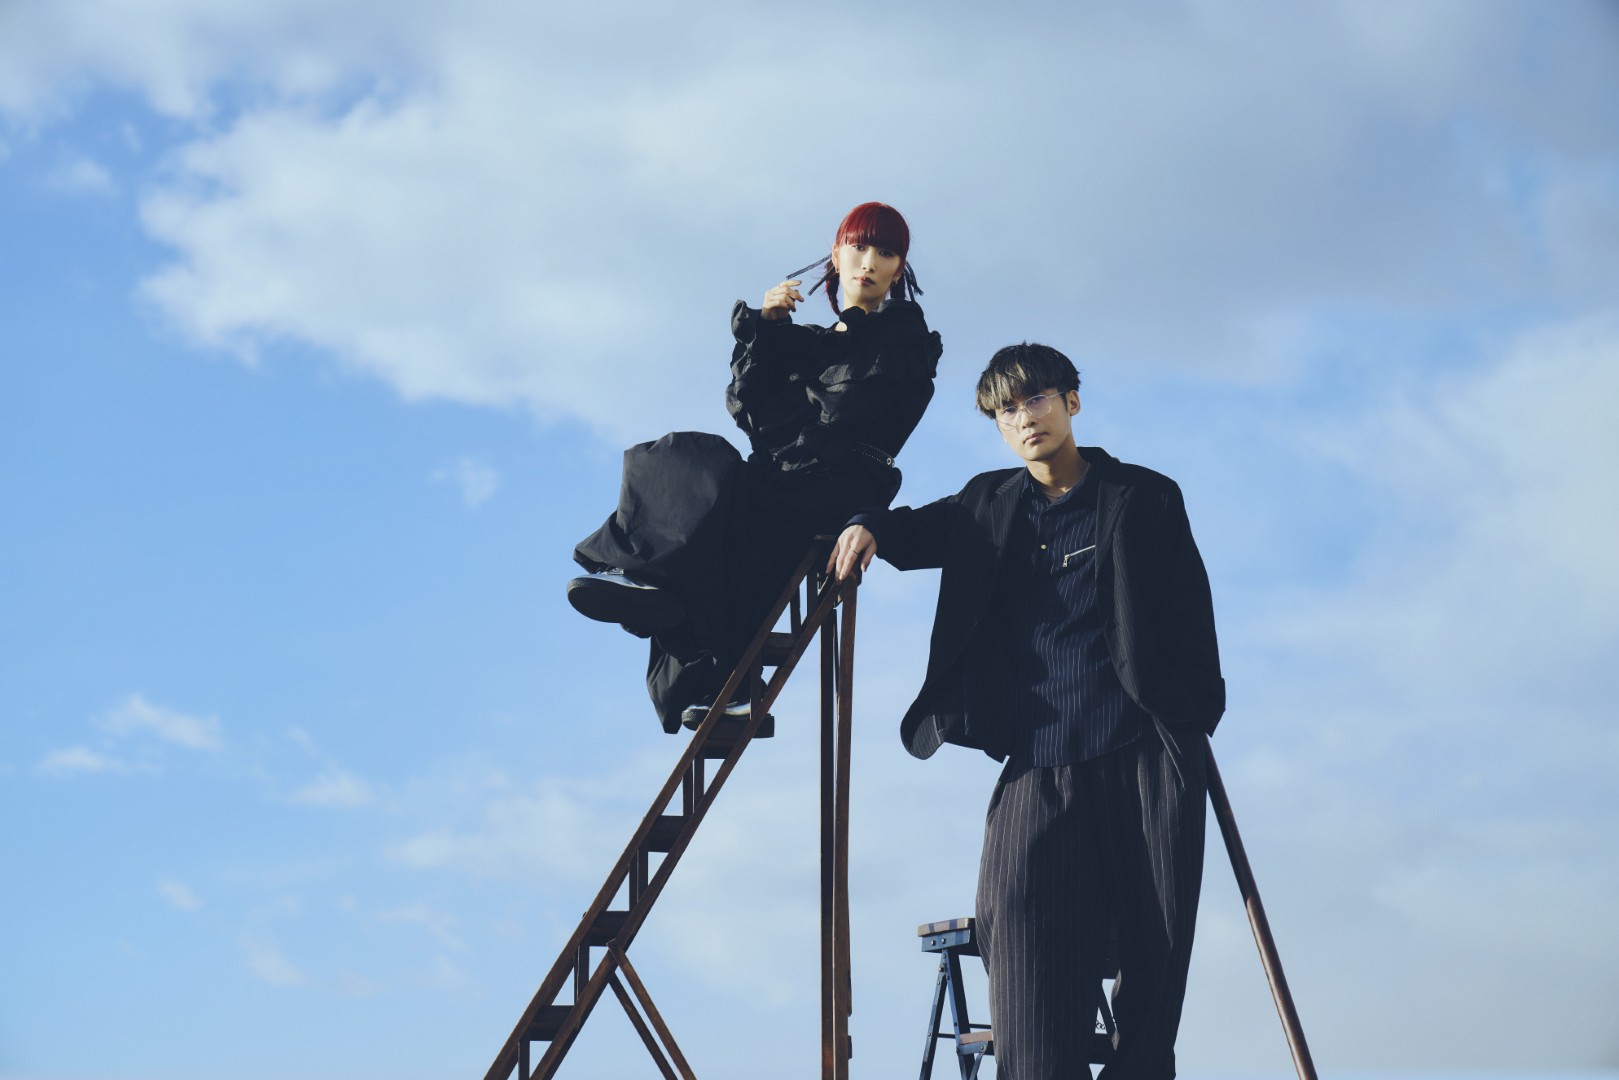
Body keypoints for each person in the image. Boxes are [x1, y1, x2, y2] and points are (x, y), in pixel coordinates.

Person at [827, 342, 1224, 1080]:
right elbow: (915, 530)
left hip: (1142, 755)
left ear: (1071, 401)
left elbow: (1190, 616)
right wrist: (866, 525)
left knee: (1156, 953)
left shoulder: (1144, 497)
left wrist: (1189, 722)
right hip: (1039, 763)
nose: (1023, 418)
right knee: (1015, 924)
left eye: (1036, 399)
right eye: (1006, 410)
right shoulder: (989, 503)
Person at [569, 202, 941, 733]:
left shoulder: (905, 336)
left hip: (845, 486)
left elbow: (843, 412)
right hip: (788, 480)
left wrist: (794, 349)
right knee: (686, 469)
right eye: (858, 247)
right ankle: (676, 621)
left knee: (715, 488)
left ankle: (661, 595)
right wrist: (765, 329)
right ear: (835, 255)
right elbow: (749, 408)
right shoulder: (813, 341)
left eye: (885, 253)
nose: (869, 262)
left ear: (899, 268)